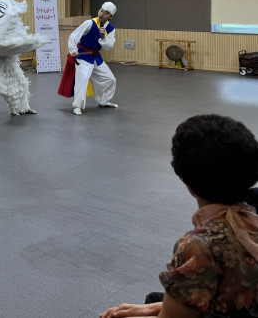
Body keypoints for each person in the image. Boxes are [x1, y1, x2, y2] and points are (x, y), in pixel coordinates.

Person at [100, 114, 258, 318]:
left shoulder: (199, 247)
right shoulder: (252, 215)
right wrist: (155, 308)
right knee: (153, 299)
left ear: (187, 181)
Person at [67, 1, 118, 115]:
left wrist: (103, 37)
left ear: (111, 16)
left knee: (110, 79)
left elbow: (108, 46)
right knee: (83, 79)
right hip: (83, 56)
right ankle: (77, 106)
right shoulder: (89, 23)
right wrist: (73, 49)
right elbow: (74, 35)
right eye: (101, 10)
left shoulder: (110, 28)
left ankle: (103, 101)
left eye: (105, 13)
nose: (101, 14)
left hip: (96, 57)